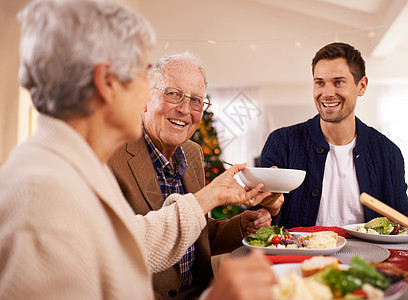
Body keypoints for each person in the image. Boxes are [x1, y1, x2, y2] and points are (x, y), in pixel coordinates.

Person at [0, 0, 274, 299]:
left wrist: (212, 198)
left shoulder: (75, 166)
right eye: (143, 74)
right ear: (106, 82)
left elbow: (132, 241)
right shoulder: (44, 192)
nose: (147, 91)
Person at [108, 52, 283, 299]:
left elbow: (196, 230)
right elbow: (115, 252)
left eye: (196, 101)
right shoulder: (111, 154)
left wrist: (241, 226)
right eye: (173, 94)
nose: (184, 109)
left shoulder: (192, 153)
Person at [260, 42, 408, 228]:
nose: (327, 93)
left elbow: (402, 223)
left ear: (361, 86)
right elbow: (259, 221)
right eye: (320, 83)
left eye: (338, 82)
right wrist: (270, 208)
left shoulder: (388, 153)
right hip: (298, 257)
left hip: (368, 258)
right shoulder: (282, 143)